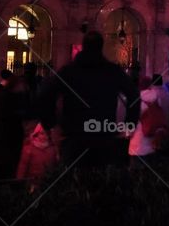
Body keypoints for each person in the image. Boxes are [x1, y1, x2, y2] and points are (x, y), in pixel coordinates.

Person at [37, 31, 140, 167]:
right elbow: (134, 94)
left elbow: (44, 95)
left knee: (73, 181)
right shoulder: (112, 71)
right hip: (104, 132)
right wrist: (129, 124)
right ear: (101, 46)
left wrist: (50, 124)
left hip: (74, 134)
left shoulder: (69, 71)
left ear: (84, 46)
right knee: (103, 179)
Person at [129, 76, 169, 157]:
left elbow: (132, 120)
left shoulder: (137, 100)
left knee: (137, 167)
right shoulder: (161, 97)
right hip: (157, 139)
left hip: (138, 143)